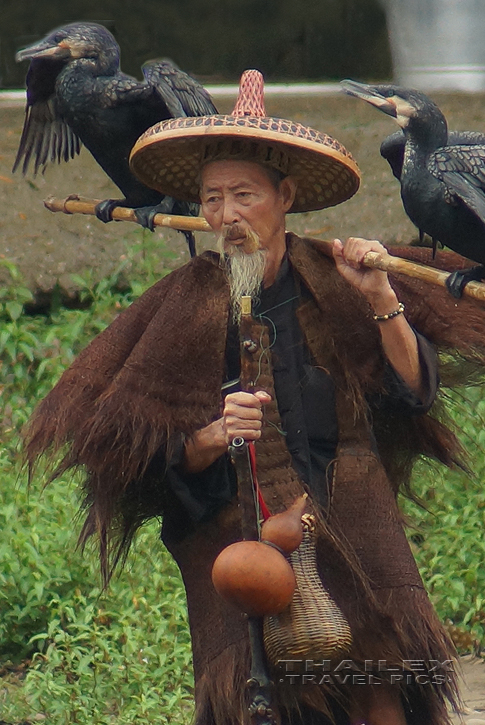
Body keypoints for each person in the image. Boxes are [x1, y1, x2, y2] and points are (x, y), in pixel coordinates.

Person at [26, 70, 469, 725]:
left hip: (352, 508)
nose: (226, 215)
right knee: (263, 700)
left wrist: (381, 298)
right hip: (245, 534)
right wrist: (205, 439)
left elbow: (411, 390)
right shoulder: (185, 301)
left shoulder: (337, 275)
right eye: (211, 198)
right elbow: (130, 451)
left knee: (383, 686)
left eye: (243, 194)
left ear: (284, 195)